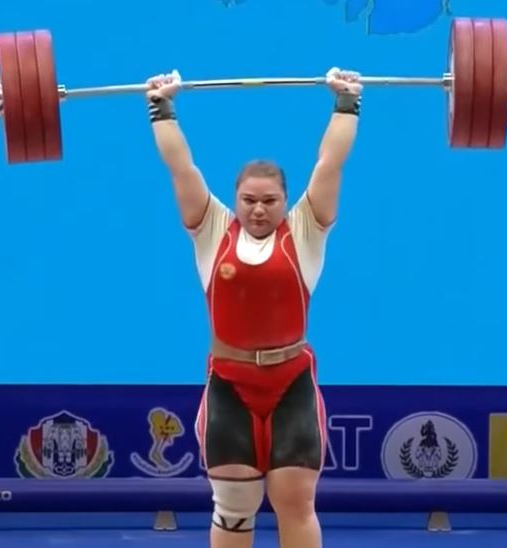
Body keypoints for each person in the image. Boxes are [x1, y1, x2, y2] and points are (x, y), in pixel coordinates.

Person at [145, 66, 361, 548]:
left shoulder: (305, 231)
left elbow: (329, 165)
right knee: (234, 506)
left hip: (290, 384)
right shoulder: (212, 230)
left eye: (269, 200)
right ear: (235, 200)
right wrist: (161, 107)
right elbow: (183, 168)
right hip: (230, 385)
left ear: (285, 201)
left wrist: (346, 102)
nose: (258, 209)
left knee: (295, 500)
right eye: (248, 200)